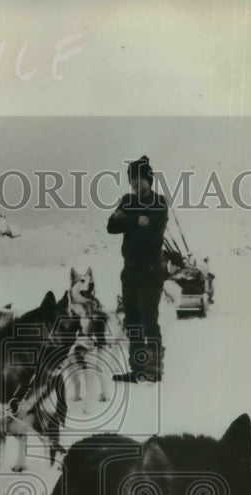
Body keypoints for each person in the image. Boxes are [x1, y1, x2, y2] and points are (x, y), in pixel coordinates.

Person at [107, 155, 168, 382]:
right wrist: (138, 220)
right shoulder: (126, 199)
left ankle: (153, 369)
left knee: (148, 321)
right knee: (132, 322)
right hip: (129, 272)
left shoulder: (159, 202)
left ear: (149, 179)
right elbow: (111, 226)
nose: (135, 183)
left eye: (140, 178)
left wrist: (128, 219)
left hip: (150, 272)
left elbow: (152, 234)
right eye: (132, 179)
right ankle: (138, 369)